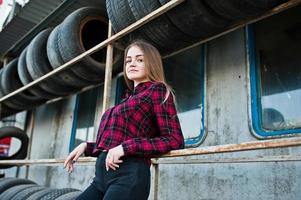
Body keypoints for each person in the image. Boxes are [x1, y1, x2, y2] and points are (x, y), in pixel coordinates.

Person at [64, 40, 184, 200]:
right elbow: (114, 145)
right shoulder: (126, 99)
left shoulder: (157, 90)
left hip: (129, 177)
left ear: (152, 63)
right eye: (128, 60)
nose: (132, 63)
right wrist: (86, 146)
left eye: (139, 59)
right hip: (100, 180)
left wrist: (126, 147)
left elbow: (175, 140)